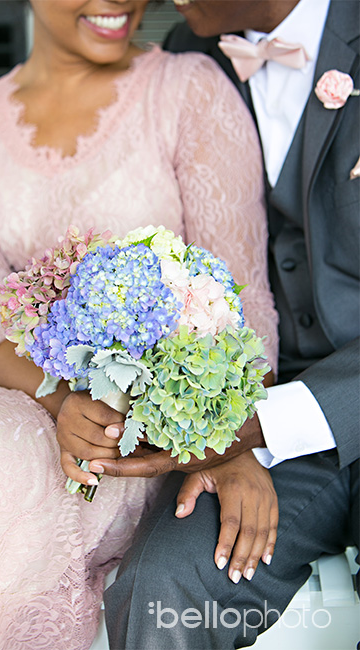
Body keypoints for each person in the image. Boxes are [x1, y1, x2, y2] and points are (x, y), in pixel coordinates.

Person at [0, 0, 280, 647]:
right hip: (9, 384)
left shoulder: (191, 91)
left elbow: (246, 304)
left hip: (140, 427)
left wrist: (228, 440)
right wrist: (60, 397)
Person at [100, 0, 359, 646]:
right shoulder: (189, 58)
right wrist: (221, 427)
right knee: (161, 586)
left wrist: (252, 428)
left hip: (288, 414)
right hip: (256, 419)